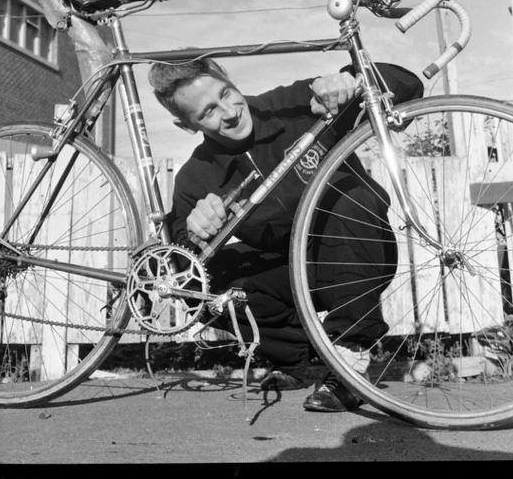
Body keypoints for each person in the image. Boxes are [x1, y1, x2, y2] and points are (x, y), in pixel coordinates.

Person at [148, 58, 423, 412]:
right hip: (299, 274)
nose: (230, 113)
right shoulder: (195, 178)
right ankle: (295, 361)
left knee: (346, 195)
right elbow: (179, 262)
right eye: (208, 112)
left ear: (229, 79)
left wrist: (349, 79)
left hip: (363, 249)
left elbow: (406, 87)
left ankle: (349, 359)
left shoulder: (295, 104)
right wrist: (194, 233)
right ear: (186, 125)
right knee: (196, 284)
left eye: (226, 93)